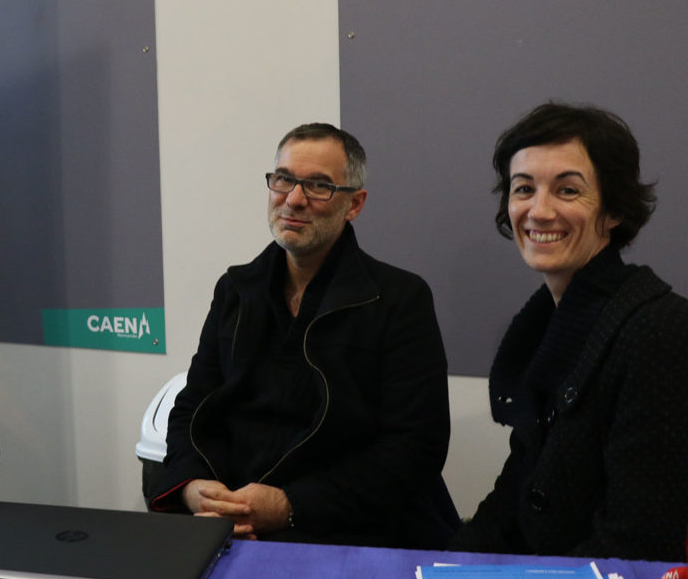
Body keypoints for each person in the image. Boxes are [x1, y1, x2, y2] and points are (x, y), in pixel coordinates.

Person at [450, 102, 688, 561]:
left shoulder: (662, 333)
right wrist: (448, 566)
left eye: (568, 191)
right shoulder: (549, 324)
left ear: (613, 210)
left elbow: (643, 544)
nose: (539, 210)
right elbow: (516, 493)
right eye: (523, 189)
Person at [149, 123, 460, 549]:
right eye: (284, 180)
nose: (294, 199)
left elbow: (415, 450)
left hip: (350, 532)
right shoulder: (236, 290)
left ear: (354, 204)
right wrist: (192, 486)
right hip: (231, 522)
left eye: (318, 186)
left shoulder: (398, 300)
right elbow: (191, 408)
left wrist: (289, 505)